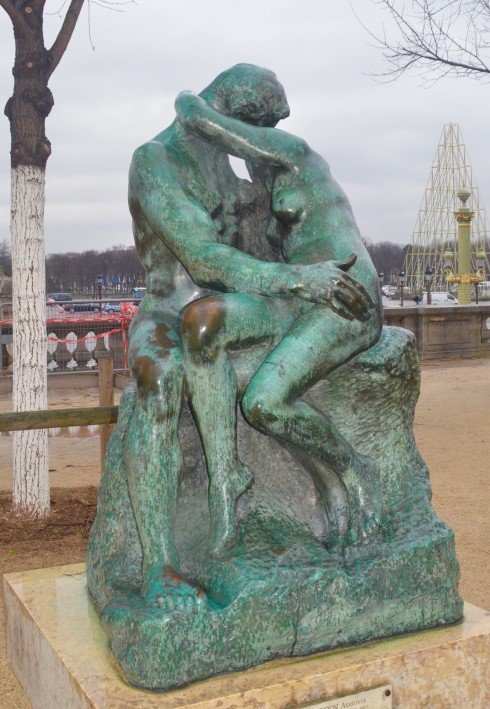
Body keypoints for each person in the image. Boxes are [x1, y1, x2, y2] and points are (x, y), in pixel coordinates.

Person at [124, 64, 368, 609]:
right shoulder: (155, 161)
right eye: (258, 128)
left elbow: (270, 246)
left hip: (236, 306)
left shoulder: (235, 172)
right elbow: (203, 257)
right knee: (160, 381)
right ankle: (158, 564)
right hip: (168, 312)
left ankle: (239, 480)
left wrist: (308, 267)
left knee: (220, 335)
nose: (261, 146)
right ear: (229, 115)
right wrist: (301, 279)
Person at [175, 89, 383, 558]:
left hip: (345, 294)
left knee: (264, 402)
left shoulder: (296, 154)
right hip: (300, 291)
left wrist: (191, 99)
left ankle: (355, 471)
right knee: (203, 321)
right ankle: (231, 478)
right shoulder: (265, 185)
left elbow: (203, 120)